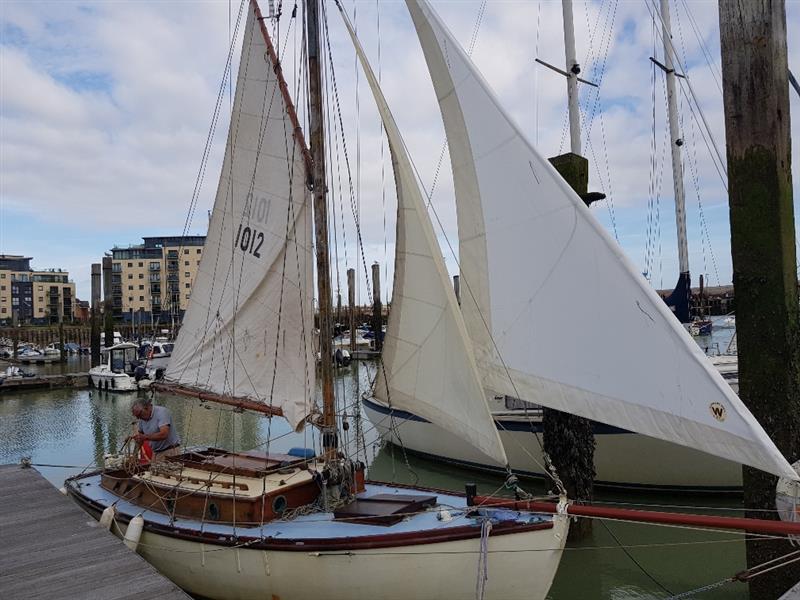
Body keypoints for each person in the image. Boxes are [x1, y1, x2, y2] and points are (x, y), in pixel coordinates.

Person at [129, 398, 181, 462]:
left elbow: (164, 434)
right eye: (136, 416)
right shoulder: (142, 420)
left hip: (170, 452)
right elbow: (140, 439)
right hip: (156, 453)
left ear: (146, 408)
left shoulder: (162, 412)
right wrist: (134, 455)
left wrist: (145, 437)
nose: (138, 418)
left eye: (139, 414)